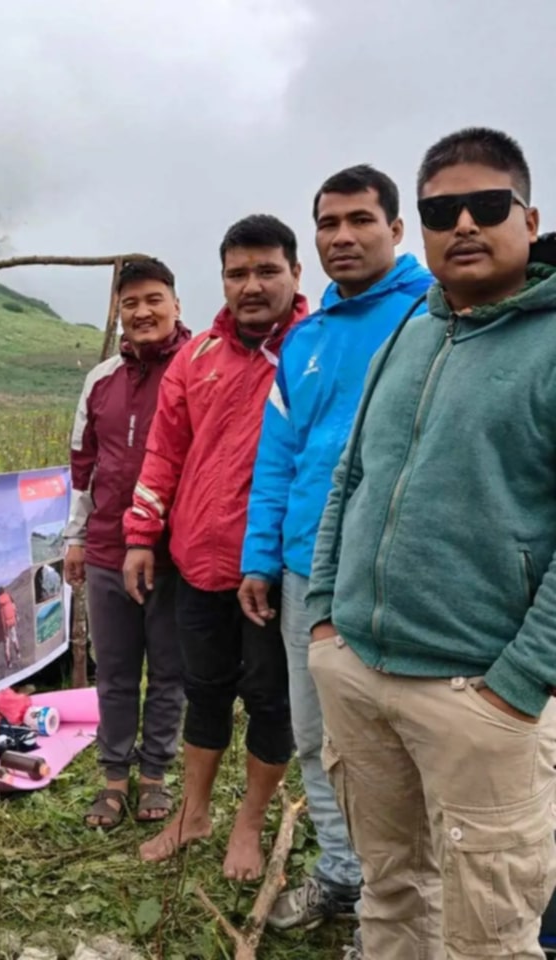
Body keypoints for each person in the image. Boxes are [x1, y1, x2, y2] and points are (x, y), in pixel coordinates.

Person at [307, 127, 556, 959]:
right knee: (391, 890)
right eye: (443, 212)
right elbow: (351, 478)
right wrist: (325, 621)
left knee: (488, 935)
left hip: (477, 692)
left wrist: (519, 684)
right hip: (359, 673)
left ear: (529, 218)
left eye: (487, 205)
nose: (465, 224)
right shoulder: (409, 333)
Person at [238, 166, 432, 933]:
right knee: (318, 734)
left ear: (396, 229)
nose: (342, 237)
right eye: (328, 223)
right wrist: (260, 556)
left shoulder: (433, 314)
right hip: (302, 572)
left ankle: (402, 904)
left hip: (398, 570)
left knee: (403, 741)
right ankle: (344, 876)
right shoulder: (307, 340)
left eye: (360, 220)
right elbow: (279, 457)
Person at [123, 216, 308, 879]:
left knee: (271, 699)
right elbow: (164, 453)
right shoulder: (196, 357)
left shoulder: (314, 350)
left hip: (280, 570)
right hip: (199, 561)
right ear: (222, 280)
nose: (251, 285)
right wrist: (142, 536)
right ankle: (193, 813)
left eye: (267, 270)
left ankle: (249, 825)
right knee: (203, 691)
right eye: (238, 273)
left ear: (295, 273)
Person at [63, 258, 191, 829]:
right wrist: (75, 537)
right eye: (130, 302)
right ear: (118, 312)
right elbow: (83, 466)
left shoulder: (197, 368)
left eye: (153, 299)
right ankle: (114, 777)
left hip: (175, 555)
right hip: (108, 549)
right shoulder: (101, 380)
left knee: (168, 670)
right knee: (113, 671)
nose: (142, 312)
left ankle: (155, 774)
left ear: (176, 305)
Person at [0, 586, 20, 667]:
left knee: (7, 644)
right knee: (15, 638)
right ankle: (18, 653)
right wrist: (16, 616)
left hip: (5, 625)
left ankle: (9, 663)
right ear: (4, 591)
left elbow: (0, 615)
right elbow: (14, 608)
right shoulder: (9, 597)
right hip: (12, 622)